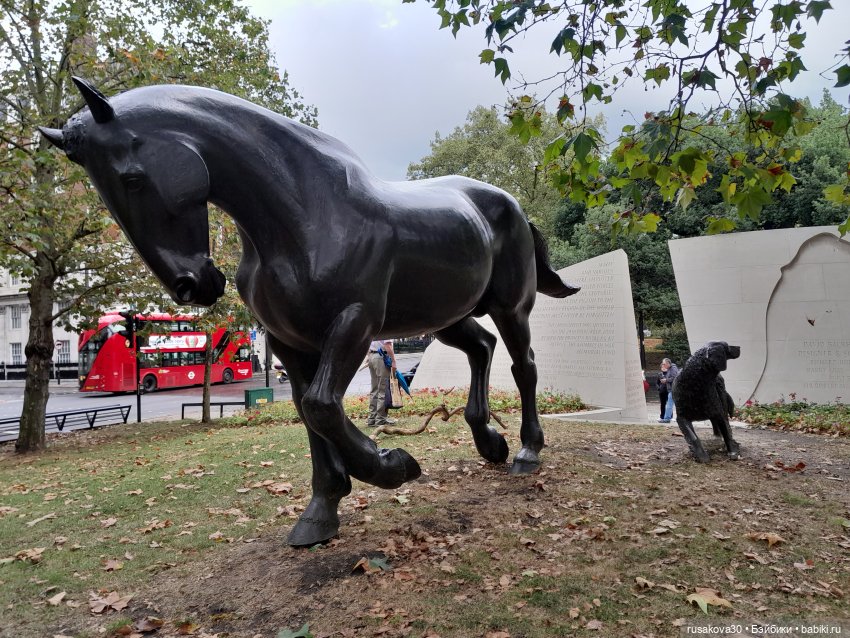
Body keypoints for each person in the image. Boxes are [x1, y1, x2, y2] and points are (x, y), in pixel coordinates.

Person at [367, 338, 396, 427]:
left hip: (372, 355)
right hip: (381, 357)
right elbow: (388, 345)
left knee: (374, 389)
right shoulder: (387, 330)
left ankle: (372, 419)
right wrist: (393, 361)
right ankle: (380, 420)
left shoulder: (375, 329)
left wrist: (369, 356)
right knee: (382, 390)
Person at [659, 357, 680, 423]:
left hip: (674, 389)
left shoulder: (673, 368)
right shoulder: (670, 368)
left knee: (669, 404)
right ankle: (668, 418)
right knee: (671, 404)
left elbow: (675, 378)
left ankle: (667, 419)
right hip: (672, 389)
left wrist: (666, 380)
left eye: (664, 364)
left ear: (668, 363)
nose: (663, 365)